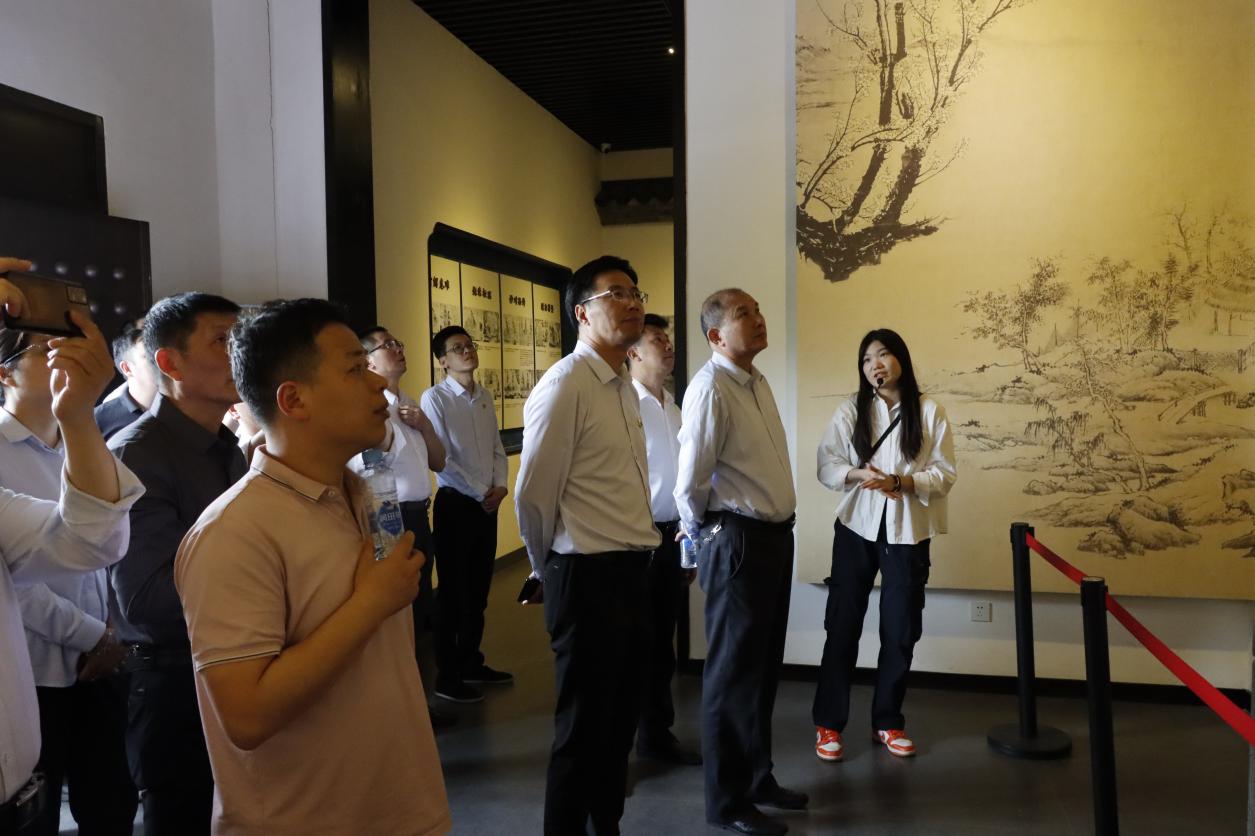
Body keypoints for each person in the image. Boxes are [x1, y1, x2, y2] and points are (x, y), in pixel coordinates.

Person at [174, 298, 450, 835]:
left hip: (399, 807)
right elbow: (247, 715)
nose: (379, 384)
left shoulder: (365, 496)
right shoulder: (233, 532)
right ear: (293, 399)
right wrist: (371, 603)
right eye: (355, 369)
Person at [515, 255, 659, 836]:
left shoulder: (623, 385)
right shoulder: (566, 384)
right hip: (584, 575)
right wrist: (545, 568)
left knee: (619, 723)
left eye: (636, 292)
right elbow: (533, 497)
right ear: (581, 312)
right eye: (616, 293)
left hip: (630, 571)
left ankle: (608, 825)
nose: (632, 303)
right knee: (581, 730)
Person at [0, 262, 144, 834]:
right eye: (45, 349)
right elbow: (19, 583)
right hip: (36, 667)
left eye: (69, 342)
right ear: (5, 374)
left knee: (110, 804)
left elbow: (103, 545)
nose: (66, 356)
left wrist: (109, 632)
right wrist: (91, 636)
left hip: (98, 661)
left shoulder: (81, 439)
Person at [108, 292, 245, 835]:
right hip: (173, 680)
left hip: (231, 661)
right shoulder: (136, 452)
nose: (240, 352)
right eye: (222, 340)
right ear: (169, 362)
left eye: (241, 339)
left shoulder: (227, 446)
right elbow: (148, 599)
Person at [675, 289, 805, 836]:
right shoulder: (710, 388)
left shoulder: (756, 381)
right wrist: (703, 537)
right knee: (731, 673)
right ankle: (727, 802)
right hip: (738, 540)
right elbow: (689, 480)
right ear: (715, 335)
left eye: (757, 310)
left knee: (762, 668)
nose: (757, 319)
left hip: (773, 537)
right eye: (742, 314)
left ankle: (757, 778)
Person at [812, 328, 956, 761]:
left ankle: (888, 722)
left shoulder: (929, 411)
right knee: (842, 626)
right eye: (866, 359)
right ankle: (828, 724)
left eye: (883, 354)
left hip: (907, 532)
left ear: (901, 360)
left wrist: (901, 482)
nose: (875, 364)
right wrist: (860, 475)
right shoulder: (850, 410)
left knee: (900, 630)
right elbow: (827, 465)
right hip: (855, 528)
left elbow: (945, 474)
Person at [349, 326, 453, 724]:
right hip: (387, 519)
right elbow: (365, 467)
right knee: (397, 615)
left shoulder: (409, 404)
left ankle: (418, 702)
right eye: (386, 345)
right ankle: (401, 708)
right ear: (368, 361)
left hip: (418, 515)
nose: (397, 349)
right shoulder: (367, 406)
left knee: (420, 611)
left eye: (398, 343)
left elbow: (439, 462)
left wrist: (424, 426)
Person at [420, 325, 512, 706]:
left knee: (478, 590)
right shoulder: (435, 399)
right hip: (457, 504)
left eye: (469, 345)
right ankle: (448, 675)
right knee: (453, 593)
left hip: (486, 505)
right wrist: (480, 493)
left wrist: (501, 486)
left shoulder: (484, 396)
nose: (467, 351)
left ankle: (472, 661)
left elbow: (496, 448)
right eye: (457, 348)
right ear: (443, 361)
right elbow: (442, 458)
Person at [626, 313, 701, 767]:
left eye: (668, 339)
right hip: (638, 537)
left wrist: (688, 543)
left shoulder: (674, 406)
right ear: (633, 351)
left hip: (674, 534)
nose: (668, 346)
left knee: (663, 642)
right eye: (658, 340)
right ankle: (627, 742)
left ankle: (657, 735)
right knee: (636, 643)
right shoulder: (626, 405)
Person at [94, 318, 157, 441]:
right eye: (150, 356)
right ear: (127, 368)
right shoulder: (97, 420)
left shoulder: (187, 406)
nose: (162, 362)